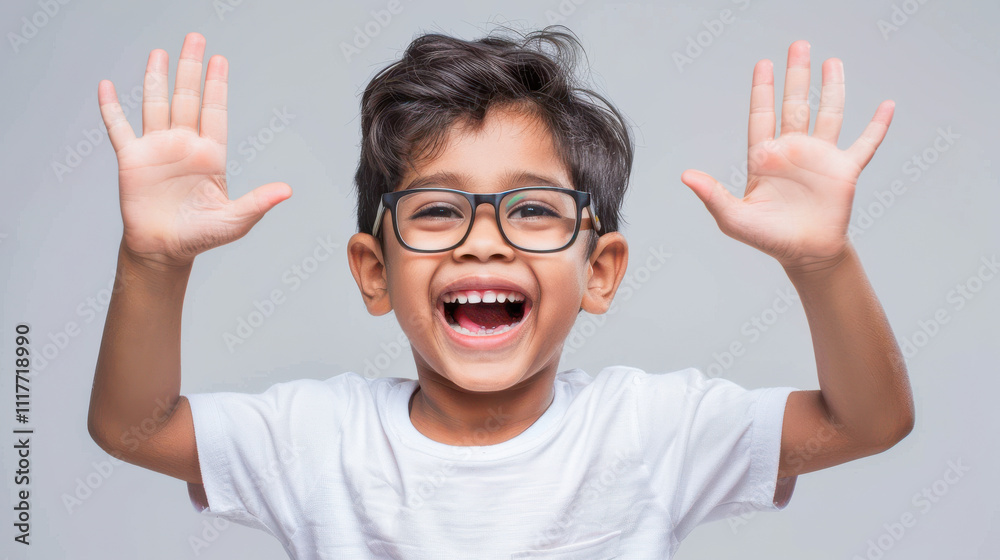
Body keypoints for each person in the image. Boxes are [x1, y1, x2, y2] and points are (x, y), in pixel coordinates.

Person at [88, 27, 914, 559]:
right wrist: (154, 262)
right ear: (375, 272)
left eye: (533, 210)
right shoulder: (317, 438)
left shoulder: (652, 430)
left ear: (599, 272)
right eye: (437, 209)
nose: (484, 239)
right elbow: (132, 428)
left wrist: (822, 263)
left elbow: (868, 422)